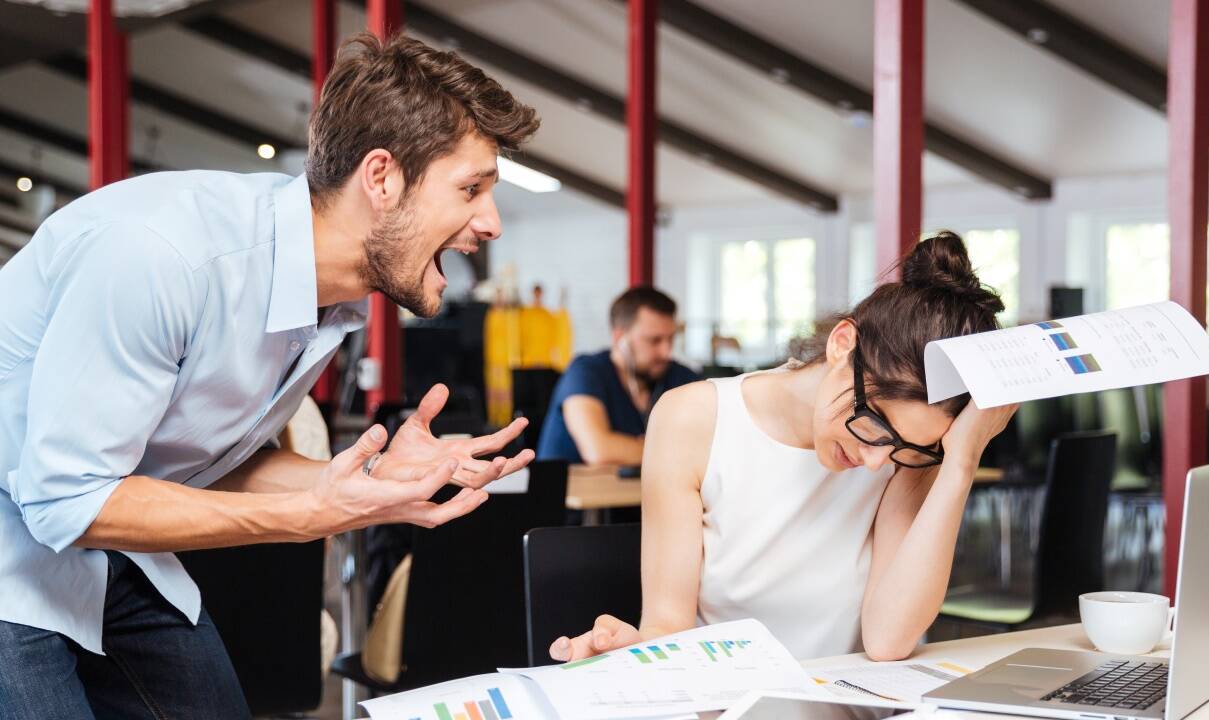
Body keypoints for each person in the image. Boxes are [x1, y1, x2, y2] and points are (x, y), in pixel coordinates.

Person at [0, 33, 540, 718]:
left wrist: (367, 483)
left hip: (99, 549)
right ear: (382, 178)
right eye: (471, 188)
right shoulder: (166, 256)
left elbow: (205, 464)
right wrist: (306, 516)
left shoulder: (326, 298)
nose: (490, 223)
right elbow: (63, 498)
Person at [549, 233, 1018, 662]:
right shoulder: (693, 418)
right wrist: (625, 654)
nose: (876, 460)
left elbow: (887, 640)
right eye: (874, 423)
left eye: (905, 448)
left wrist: (959, 461)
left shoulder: (908, 455)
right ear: (842, 344)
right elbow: (668, 626)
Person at [537, 287, 701, 466]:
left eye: (671, 339)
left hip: (637, 493)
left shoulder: (679, 377)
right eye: (654, 341)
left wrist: (635, 448)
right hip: (574, 493)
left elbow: (710, 446)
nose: (666, 352)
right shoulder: (585, 372)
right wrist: (677, 449)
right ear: (619, 338)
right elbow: (599, 450)